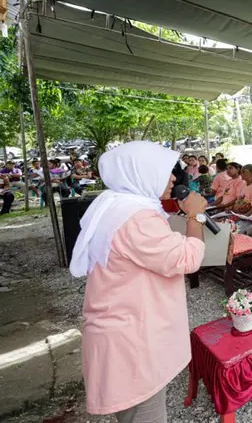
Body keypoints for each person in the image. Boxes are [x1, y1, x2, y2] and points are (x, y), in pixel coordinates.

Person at [69, 141, 207, 422]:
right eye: (165, 171)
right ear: (142, 172)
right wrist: (196, 216)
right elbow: (187, 259)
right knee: (146, 413)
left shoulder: (117, 205)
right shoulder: (137, 219)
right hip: (132, 341)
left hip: (124, 330)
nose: (172, 178)